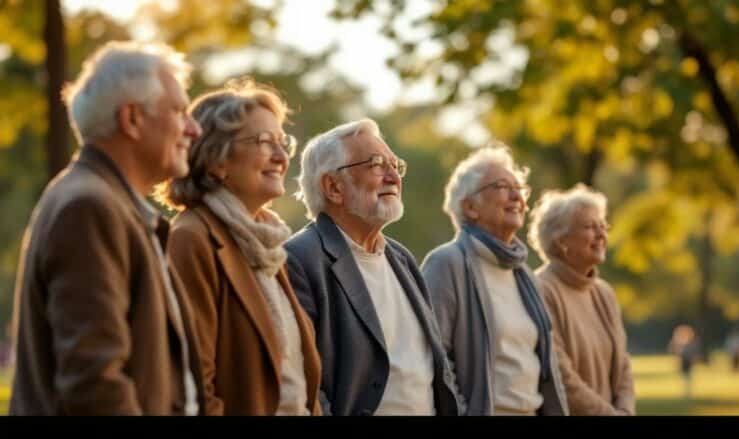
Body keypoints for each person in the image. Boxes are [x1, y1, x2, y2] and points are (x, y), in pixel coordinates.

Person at [10, 41, 204, 415]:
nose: (193, 129)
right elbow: (95, 384)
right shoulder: (89, 207)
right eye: (180, 111)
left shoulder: (108, 202)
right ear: (132, 119)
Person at [158, 79, 322, 415]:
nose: (280, 157)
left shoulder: (267, 242)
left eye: (282, 142)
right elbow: (193, 384)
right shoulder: (192, 238)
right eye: (264, 142)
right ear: (216, 158)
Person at [285, 119, 460, 416]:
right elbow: (302, 385)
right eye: (377, 164)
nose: (393, 176)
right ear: (333, 187)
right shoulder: (299, 260)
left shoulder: (401, 258)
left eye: (396, 165)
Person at [421, 145, 568, 416]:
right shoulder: (447, 264)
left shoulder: (523, 274)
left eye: (520, 189)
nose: (517, 196)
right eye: (502, 186)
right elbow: (431, 360)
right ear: (470, 207)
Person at [528, 184, 635, 415]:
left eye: (603, 226)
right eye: (589, 227)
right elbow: (560, 376)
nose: (601, 235)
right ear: (561, 241)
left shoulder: (604, 293)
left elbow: (624, 367)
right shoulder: (541, 289)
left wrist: (625, 410)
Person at [668, 324, 699, 399]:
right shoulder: (683, 343)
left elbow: (692, 352)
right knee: (685, 376)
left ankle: (687, 391)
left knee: (687, 376)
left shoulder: (689, 343)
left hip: (687, 360)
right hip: (684, 360)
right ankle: (686, 391)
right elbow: (673, 350)